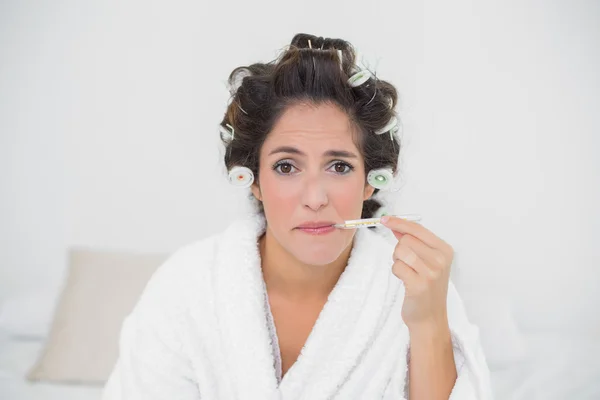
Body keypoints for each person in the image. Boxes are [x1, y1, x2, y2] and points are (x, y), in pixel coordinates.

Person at [102, 33, 493, 399]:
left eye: (339, 167)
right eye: (286, 166)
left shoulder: (415, 290)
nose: (315, 198)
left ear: (371, 181)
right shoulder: (188, 286)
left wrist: (427, 323)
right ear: (252, 180)